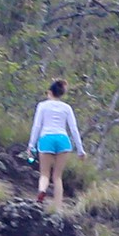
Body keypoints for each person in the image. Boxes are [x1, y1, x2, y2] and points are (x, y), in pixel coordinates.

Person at [27, 79, 85, 209]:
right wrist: (80, 150)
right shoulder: (67, 108)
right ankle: (57, 207)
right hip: (63, 140)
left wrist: (31, 145)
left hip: (46, 139)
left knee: (44, 174)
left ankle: (42, 191)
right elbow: (73, 129)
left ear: (49, 92)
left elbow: (37, 126)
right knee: (57, 177)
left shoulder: (42, 106)